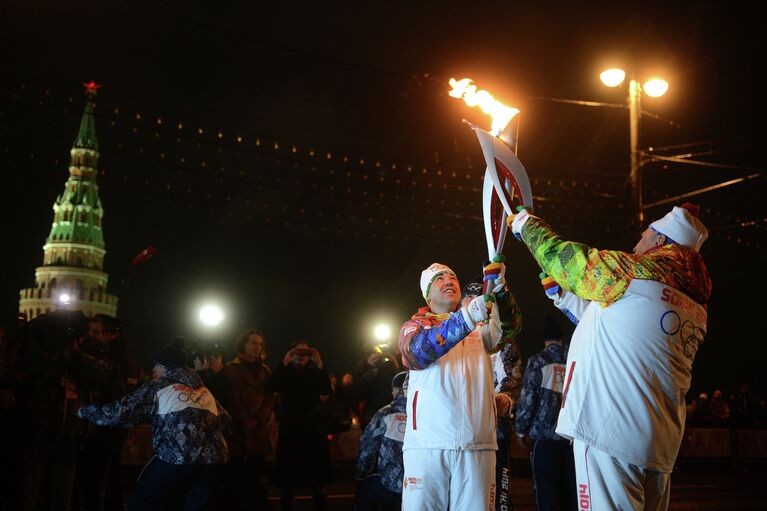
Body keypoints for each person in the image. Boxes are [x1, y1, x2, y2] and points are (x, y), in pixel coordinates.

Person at [510, 202, 712, 510]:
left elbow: (570, 261)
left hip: (609, 433)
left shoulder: (632, 272)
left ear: (660, 241)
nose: (636, 244)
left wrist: (527, 225)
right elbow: (623, 327)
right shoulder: (694, 303)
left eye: (644, 235)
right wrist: (565, 298)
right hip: (659, 445)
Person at [398, 261, 521, 511]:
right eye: (439, 279)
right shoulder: (414, 327)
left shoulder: (479, 330)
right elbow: (419, 353)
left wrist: (501, 291)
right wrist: (467, 318)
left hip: (477, 444)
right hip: (428, 445)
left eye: (453, 278)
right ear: (427, 294)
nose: (448, 282)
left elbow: (510, 329)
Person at [77, 337, 232, 511]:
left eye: (156, 365)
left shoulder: (159, 387)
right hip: (214, 461)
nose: (153, 370)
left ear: (165, 367)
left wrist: (83, 411)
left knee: (143, 499)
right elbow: (226, 421)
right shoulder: (203, 390)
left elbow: (122, 413)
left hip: (177, 456)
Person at [14, 310, 109, 511]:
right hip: (39, 434)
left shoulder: (77, 360)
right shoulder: (39, 358)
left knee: (61, 499)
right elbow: (27, 379)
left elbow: (98, 379)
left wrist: (71, 353)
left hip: (67, 438)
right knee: (28, 498)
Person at [461, 276, 523, 511]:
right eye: (469, 300)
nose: (475, 306)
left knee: (496, 496)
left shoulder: (503, 340)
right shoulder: (452, 336)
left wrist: (504, 400)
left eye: (481, 301)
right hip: (461, 431)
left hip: (495, 431)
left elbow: (513, 379)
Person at [515, 316, 576, 511]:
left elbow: (529, 398)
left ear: (544, 339)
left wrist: (521, 430)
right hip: (572, 438)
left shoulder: (538, 361)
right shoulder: (575, 359)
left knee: (546, 493)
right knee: (572, 493)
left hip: (544, 438)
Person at [271, 341, 332, 511]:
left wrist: (320, 363)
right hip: (290, 428)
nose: (301, 355)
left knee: (318, 479)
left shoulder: (314, 372)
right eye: (297, 351)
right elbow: (272, 386)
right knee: (288, 480)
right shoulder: (285, 372)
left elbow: (326, 390)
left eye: (305, 352)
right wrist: (284, 361)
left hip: (312, 427)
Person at [221, 329, 274, 510]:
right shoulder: (230, 370)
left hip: (258, 431)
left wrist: (258, 419)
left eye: (260, 344)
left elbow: (269, 400)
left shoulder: (265, 371)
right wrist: (244, 421)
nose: (258, 347)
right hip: (238, 431)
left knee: (255, 477)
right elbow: (231, 399)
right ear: (243, 345)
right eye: (253, 343)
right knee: (236, 478)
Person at [354, 371, 408, 511]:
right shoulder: (427, 413)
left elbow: (368, 449)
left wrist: (360, 474)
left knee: (365, 492)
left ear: (396, 390)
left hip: (390, 486)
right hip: (422, 485)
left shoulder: (385, 414)